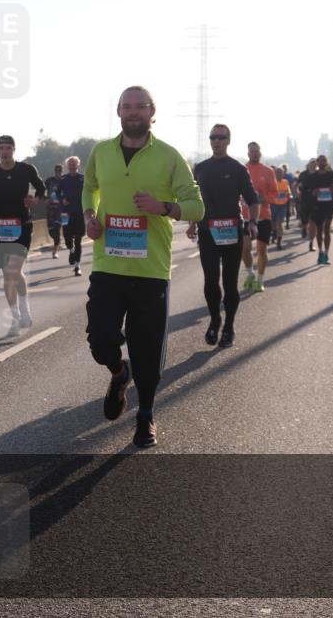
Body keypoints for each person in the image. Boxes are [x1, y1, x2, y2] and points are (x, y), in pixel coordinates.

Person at [82, 86, 204, 448]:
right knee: (100, 339)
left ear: (153, 112)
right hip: (108, 264)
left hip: (150, 270)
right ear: (118, 111)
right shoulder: (101, 152)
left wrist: (164, 207)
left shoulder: (169, 156)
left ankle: (146, 414)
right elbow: (90, 186)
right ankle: (120, 373)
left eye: (140, 107)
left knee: (147, 350)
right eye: (127, 107)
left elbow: (196, 206)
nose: (133, 112)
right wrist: (89, 215)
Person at [186, 124, 258, 348]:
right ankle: (215, 320)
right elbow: (194, 200)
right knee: (210, 281)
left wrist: (253, 223)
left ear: (228, 140)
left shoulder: (237, 168)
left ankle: (229, 326)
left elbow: (252, 199)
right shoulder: (200, 168)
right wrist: (191, 224)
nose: (216, 141)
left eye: (221, 137)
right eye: (213, 137)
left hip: (232, 231)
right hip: (207, 231)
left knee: (229, 282)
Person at [0, 135, 46, 337]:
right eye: (1, 148)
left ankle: (25, 312)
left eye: (8, 148)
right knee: (8, 275)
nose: (4, 151)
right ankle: (16, 317)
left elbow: (41, 189)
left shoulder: (26, 170)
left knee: (13, 269)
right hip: (0, 229)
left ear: (13, 150)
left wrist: (36, 200)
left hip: (22, 226)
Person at [242, 142, 277, 293]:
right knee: (245, 248)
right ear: (248, 153)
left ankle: (260, 280)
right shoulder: (242, 170)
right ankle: (250, 273)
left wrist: (265, 198)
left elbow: (275, 194)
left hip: (263, 216)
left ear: (260, 153)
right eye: (252, 151)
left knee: (262, 250)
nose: (254, 154)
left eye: (257, 151)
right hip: (244, 216)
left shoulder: (268, 171)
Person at [304, 155, 333, 264]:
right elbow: (305, 188)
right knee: (319, 231)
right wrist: (313, 192)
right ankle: (320, 252)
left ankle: (327, 254)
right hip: (317, 206)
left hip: (329, 205)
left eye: (324, 161)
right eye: (320, 161)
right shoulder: (313, 176)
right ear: (317, 163)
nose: (322, 163)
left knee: (327, 229)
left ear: (327, 162)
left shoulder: (331, 174)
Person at [58, 155, 85, 276]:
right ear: (67, 166)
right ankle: (71, 250)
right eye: (70, 164)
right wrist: (62, 199)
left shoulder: (83, 179)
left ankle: (77, 266)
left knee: (78, 239)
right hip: (66, 213)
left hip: (80, 213)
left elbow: (90, 193)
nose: (72, 165)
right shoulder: (63, 180)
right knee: (68, 239)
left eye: (74, 163)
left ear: (78, 165)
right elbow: (56, 194)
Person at [45, 164, 64, 259]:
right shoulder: (49, 181)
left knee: (56, 230)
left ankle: (55, 251)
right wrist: (45, 199)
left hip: (61, 209)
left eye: (60, 171)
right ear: (54, 171)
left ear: (62, 171)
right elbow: (42, 191)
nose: (58, 172)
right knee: (51, 231)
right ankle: (58, 239)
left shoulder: (65, 180)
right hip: (50, 209)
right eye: (57, 171)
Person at [270, 166, 291, 251]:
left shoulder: (285, 182)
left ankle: (279, 242)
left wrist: (288, 194)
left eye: (280, 173)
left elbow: (287, 191)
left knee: (280, 223)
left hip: (282, 205)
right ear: (274, 174)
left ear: (283, 174)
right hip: (273, 204)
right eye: (277, 173)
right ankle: (274, 232)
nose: (278, 174)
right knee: (273, 222)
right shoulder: (271, 182)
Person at [296, 160, 317, 243]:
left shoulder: (318, 174)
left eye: (314, 165)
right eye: (311, 165)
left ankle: (311, 242)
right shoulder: (303, 174)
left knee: (313, 222)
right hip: (305, 199)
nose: (313, 166)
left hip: (316, 201)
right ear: (308, 165)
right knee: (305, 219)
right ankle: (304, 228)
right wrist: (298, 190)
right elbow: (297, 184)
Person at [281, 163, 295, 230]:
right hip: (278, 196)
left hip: (287, 194)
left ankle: (287, 223)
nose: (284, 170)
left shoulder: (289, 176)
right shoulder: (278, 175)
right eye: (283, 168)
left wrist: (292, 194)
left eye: (285, 168)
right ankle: (279, 223)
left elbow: (291, 186)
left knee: (287, 210)